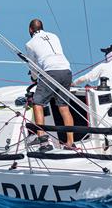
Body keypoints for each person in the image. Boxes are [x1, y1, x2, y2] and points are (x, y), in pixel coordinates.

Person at [24, 19, 75, 151]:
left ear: (30, 30)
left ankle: (43, 141)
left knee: (37, 103)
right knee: (64, 107)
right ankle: (70, 142)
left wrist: (34, 78)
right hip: (67, 71)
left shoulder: (30, 43)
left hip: (50, 72)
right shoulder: (54, 36)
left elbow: (33, 66)